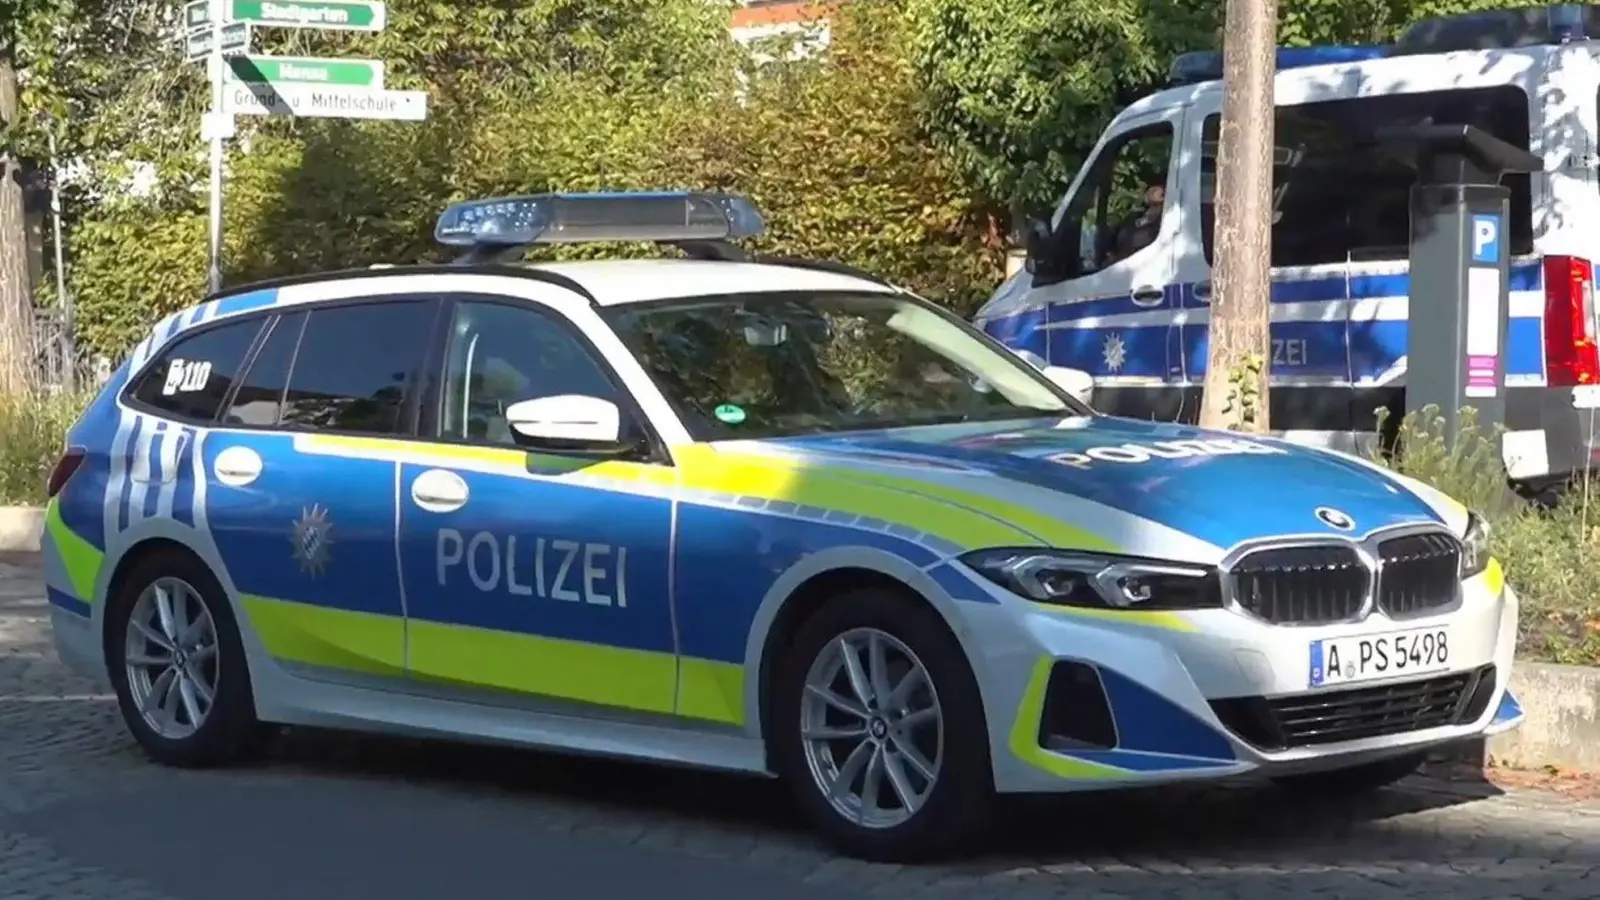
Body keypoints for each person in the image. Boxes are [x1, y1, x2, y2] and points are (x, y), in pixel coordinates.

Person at [1106, 178, 1166, 264]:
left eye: (1158, 189)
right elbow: (1113, 237)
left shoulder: (1164, 221)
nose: (1151, 191)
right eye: (1150, 189)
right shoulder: (1134, 216)